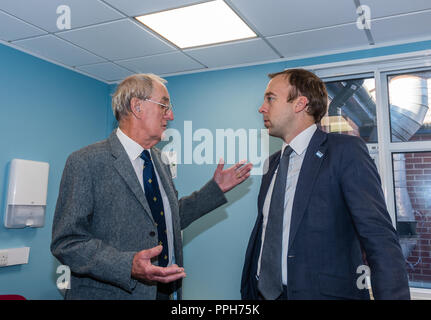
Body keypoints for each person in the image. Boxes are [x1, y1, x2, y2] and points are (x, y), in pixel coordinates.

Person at [51, 73, 252, 300]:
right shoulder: (86, 162)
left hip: (163, 292)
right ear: (137, 107)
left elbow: (168, 220)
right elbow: (66, 242)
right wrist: (128, 265)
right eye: (164, 106)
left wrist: (214, 190)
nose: (171, 115)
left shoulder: (160, 161)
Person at [241, 68, 410, 300]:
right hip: (263, 294)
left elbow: (379, 239)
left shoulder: (345, 152)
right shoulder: (272, 165)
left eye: (270, 98)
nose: (262, 108)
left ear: (300, 103)